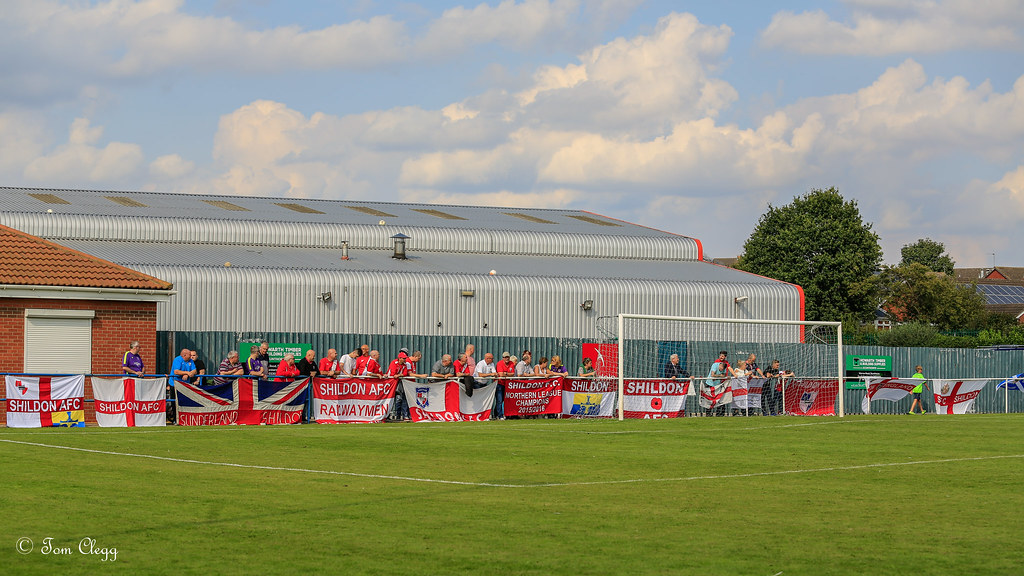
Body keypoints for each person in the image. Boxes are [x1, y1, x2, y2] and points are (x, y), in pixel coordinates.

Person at [169, 348, 195, 424]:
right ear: (184, 355)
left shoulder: (190, 361)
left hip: (185, 384)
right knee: (175, 402)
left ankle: (184, 419)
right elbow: (176, 371)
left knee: (185, 401)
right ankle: (175, 419)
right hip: (175, 384)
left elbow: (194, 370)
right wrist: (187, 372)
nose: (191, 356)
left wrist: (188, 374)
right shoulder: (177, 360)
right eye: (189, 355)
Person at [474, 352, 499, 418]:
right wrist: (490, 374)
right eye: (491, 358)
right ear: (487, 359)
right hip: (477, 383)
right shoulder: (481, 364)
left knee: (485, 400)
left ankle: (484, 415)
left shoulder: (492, 364)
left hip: (484, 384)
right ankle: (476, 414)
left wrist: (495, 374)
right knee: (478, 399)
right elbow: (480, 375)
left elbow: (494, 373)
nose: (493, 360)